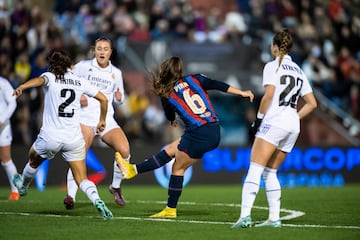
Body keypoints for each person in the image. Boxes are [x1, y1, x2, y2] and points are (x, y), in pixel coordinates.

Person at [116, 56, 254, 218]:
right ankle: (133, 170)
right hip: (212, 129)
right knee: (170, 150)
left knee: (178, 168)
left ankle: (169, 209)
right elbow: (219, 85)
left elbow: (168, 112)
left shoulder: (167, 93)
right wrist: (242, 92)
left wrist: (172, 119)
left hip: (198, 132)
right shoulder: (196, 79)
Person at [12, 50, 113, 220]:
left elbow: (38, 81)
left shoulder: (50, 77)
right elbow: (103, 99)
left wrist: (23, 86)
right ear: (70, 65)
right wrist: (102, 120)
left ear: (52, 64)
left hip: (51, 136)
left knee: (32, 160)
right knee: (82, 178)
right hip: (74, 138)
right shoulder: (79, 81)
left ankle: (23, 186)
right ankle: (97, 200)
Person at [232, 29, 317, 228]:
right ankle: (274, 218)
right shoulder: (299, 70)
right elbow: (312, 103)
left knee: (255, 168)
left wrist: (259, 119)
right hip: (292, 126)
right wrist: (294, 117)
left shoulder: (273, 65)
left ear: (275, 47)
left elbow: (268, 95)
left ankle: (245, 216)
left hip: (274, 122)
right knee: (270, 172)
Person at [63, 37, 130, 209]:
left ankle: (115, 186)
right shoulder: (83, 66)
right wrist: (79, 96)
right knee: (79, 154)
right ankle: (71, 195)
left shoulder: (116, 73)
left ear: (110, 52)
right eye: (99, 48)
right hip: (86, 118)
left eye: (105, 49)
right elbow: (66, 81)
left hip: (106, 119)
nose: (102, 52)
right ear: (94, 50)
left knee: (125, 151)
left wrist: (120, 98)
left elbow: (120, 96)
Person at [0, 75, 19, 201]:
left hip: (3, 126)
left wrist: (2, 120)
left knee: (6, 159)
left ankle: (16, 190)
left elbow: (13, 102)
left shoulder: (3, 83)